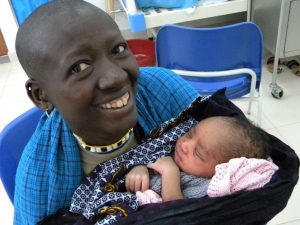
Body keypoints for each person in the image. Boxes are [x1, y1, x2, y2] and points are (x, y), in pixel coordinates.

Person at [13, 1, 199, 224]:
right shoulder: (39, 179)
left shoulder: (165, 90)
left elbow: (240, 152)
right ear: (41, 95)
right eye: (79, 67)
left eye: (118, 50)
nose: (117, 77)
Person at [125, 116, 278, 204]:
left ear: (220, 170)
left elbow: (177, 213)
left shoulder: (205, 187)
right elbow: (144, 157)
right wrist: (140, 168)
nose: (184, 144)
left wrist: (170, 172)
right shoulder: (174, 151)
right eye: (190, 134)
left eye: (198, 153)